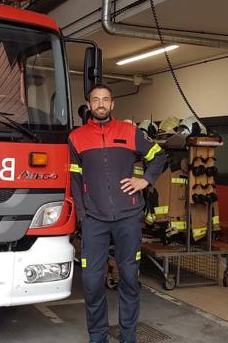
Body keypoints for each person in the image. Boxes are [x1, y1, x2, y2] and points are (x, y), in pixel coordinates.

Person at [68, 84, 166, 343]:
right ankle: (98, 337)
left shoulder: (130, 132)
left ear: (112, 105)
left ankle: (128, 337)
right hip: (94, 220)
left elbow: (159, 156)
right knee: (90, 282)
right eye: (95, 100)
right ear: (89, 105)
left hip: (128, 218)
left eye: (105, 100)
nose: (100, 104)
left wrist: (144, 180)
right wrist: (82, 215)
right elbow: (75, 180)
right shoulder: (76, 137)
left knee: (129, 280)